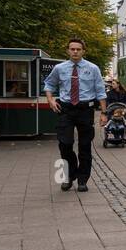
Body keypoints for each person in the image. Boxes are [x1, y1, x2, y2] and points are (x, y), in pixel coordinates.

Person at [42, 39, 108, 193]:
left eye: (78, 49)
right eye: (72, 49)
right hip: (66, 109)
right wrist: (50, 99)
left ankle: (82, 179)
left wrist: (104, 113)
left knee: (85, 146)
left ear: (83, 51)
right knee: (64, 144)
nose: (75, 52)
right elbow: (49, 84)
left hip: (85, 110)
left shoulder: (93, 68)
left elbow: (100, 92)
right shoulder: (59, 68)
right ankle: (68, 176)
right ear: (68, 51)